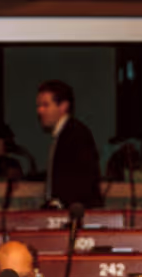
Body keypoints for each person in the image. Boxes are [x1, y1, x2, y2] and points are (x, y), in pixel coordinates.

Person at [37, 80, 103, 210]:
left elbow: (84, 181)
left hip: (77, 213)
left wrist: (59, 203)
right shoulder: (65, 134)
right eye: (39, 105)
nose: (40, 110)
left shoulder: (77, 134)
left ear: (63, 106)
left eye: (45, 105)